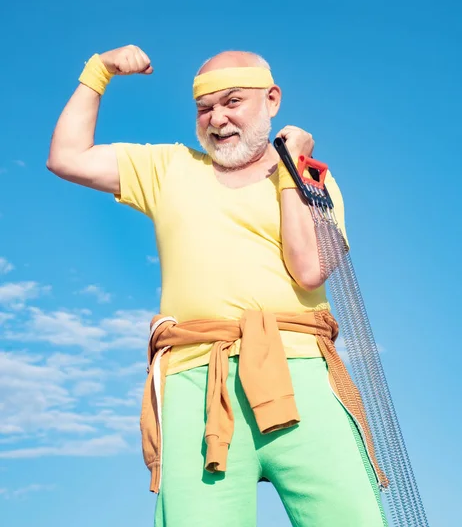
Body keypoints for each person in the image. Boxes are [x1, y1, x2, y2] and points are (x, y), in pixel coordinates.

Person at [47, 45, 388, 527]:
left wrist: (290, 171)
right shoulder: (168, 168)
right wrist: (98, 70)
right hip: (196, 381)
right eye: (205, 108)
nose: (217, 118)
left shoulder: (315, 181)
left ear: (271, 100)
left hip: (302, 375)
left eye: (233, 102)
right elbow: (66, 157)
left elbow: (310, 268)